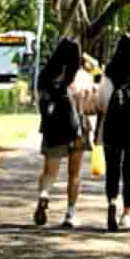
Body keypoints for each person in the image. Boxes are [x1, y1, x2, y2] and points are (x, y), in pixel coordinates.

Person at [93, 33, 130, 231]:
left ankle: (112, 203)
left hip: (111, 128)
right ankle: (126, 215)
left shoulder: (109, 74)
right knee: (128, 173)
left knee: (112, 170)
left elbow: (101, 103)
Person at [32, 37, 87, 228]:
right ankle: (70, 214)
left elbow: (39, 100)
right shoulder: (78, 76)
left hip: (52, 128)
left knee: (49, 172)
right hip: (75, 128)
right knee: (74, 173)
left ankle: (44, 194)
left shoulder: (44, 75)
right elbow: (85, 103)